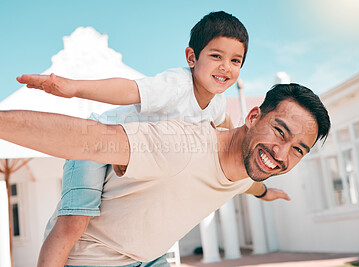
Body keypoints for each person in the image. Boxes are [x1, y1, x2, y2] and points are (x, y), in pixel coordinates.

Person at [16, 11, 257, 267]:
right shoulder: (176, 85)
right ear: (192, 57)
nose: (226, 67)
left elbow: (229, 132)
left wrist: (259, 180)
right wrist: (73, 87)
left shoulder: (217, 104)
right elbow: (128, 89)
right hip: (98, 141)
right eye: (216, 56)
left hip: (130, 155)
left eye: (235, 60)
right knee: (75, 222)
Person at [0, 83, 330, 266]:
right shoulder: (181, 145)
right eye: (280, 132)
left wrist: (266, 193)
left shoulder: (250, 167)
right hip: (92, 263)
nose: (281, 154)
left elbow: (248, 186)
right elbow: (89, 139)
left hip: (147, 259)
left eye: (299, 149)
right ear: (253, 116)